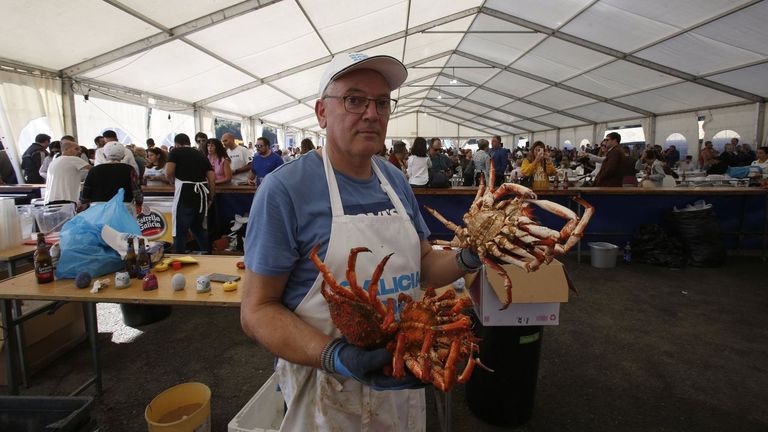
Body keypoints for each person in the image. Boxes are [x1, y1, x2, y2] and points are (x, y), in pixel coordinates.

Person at [239, 52, 482, 431]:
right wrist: (335, 355)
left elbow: (424, 266)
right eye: (354, 100)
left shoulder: (394, 179)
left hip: (401, 374)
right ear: (322, 113)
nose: (372, 113)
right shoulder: (284, 190)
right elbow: (256, 311)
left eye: (382, 102)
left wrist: (472, 256)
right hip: (323, 388)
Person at [166, 133, 215, 253]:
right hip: (201, 194)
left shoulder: (175, 152)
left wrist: (172, 181)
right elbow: (211, 177)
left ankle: (180, 256)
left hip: (185, 191)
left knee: (179, 229)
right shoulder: (201, 154)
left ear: (177, 144)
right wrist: (211, 196)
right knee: (197, 227)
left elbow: (169, 172)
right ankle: (207, 253)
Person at [80, 142, 142, 214]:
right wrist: (139, 203)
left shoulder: (94, 170)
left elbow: (87, 189)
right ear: (123, 156)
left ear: (104, 155)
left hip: (98, 208)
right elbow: (136, 190)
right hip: (123, 206)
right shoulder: (130, 169)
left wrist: (83, 202)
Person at [44, 136, 91, 205]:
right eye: (76, 149)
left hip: (50, 200)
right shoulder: (72, 159)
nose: (79, 152)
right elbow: (95, 170)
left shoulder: (54, 161)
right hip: (65, 200)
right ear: (66, 149)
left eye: (79, 149)